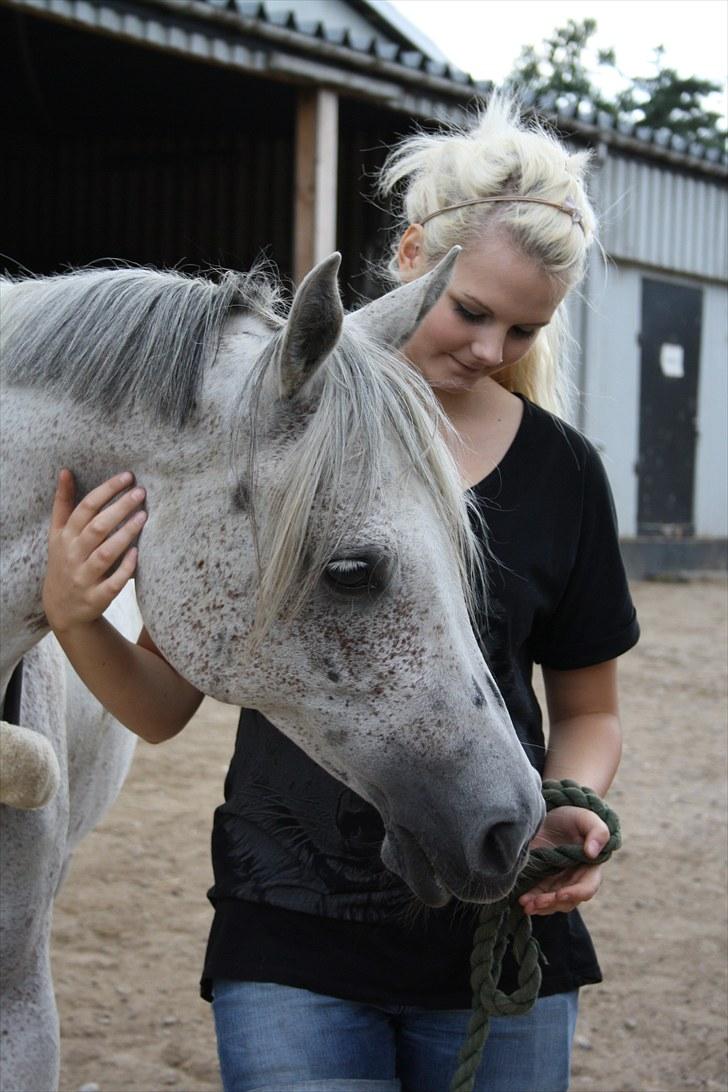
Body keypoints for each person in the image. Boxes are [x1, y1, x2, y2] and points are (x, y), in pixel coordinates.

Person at [43, 96, 639, 1092]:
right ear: (411, 257)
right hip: (291, 943)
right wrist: (73, 615)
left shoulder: (561, 471)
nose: (493, 349)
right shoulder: (274, 439)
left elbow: (588, 708)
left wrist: (572, 802)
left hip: (494, 919)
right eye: (471, 311)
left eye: (524, 326)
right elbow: (158, 706)